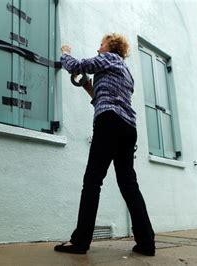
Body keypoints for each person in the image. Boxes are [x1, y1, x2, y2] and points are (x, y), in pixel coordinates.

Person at [54, 33, 156, 256]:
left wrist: (65, 53)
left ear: (111, 46)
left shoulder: (109, 58)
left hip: (109, 121)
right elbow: (103, 97)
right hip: (128, 128)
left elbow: (79, 65)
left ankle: (80, 241)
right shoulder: (126, 72)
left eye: (101, 44)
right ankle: (147, 243)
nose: (98, 47)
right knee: (128, 184)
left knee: (92, 180)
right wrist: (88, 87)